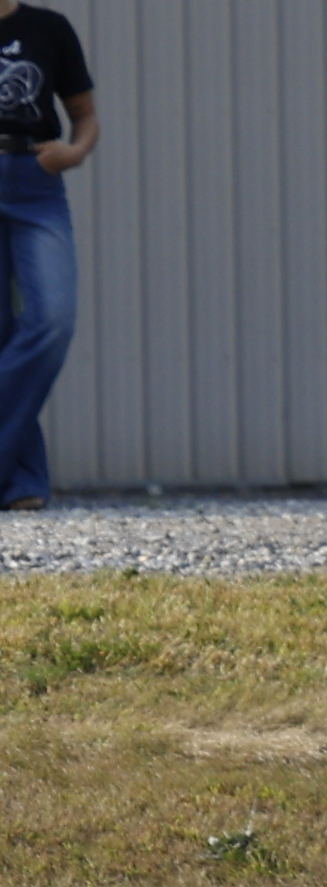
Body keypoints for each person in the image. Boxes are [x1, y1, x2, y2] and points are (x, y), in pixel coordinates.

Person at [0, 1, 93, 514]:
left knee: (51, 320)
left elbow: (86, 116)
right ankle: (21, 484)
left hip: (36, 180)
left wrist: (74, 153)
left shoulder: (49, 28)